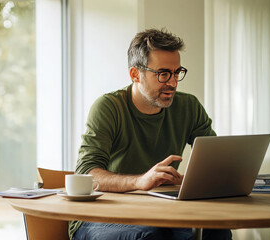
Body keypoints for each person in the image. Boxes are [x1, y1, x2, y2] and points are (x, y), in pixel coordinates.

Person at [69, 28, 232, 240]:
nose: (172, 83)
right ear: (135, 74)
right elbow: (87, 174)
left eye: (176, 73)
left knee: (215, 233)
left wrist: (193, 180)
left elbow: (215, 159)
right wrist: (139, 181)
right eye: (163, 74)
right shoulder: (108, 108)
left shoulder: (189, 106)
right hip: (99, 216)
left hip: (160, 212)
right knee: (151, 236)